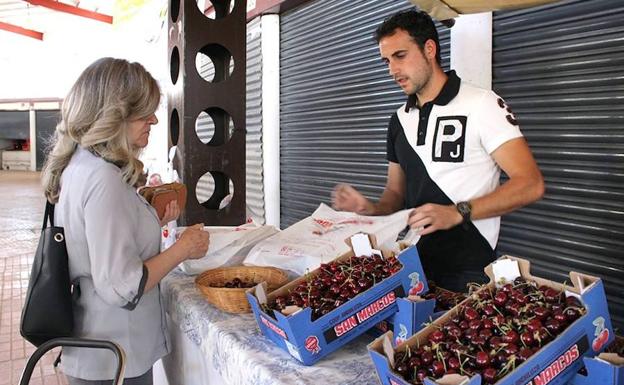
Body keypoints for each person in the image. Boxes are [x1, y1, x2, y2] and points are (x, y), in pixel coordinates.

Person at [332, 10, 544, 292]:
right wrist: (369, 209)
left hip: (467, 273)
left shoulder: (482, 104)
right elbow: (395, 195)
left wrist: (458, 212)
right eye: (386, 61)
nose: (392, 70)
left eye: (400, 56)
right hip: (408, 267)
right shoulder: (398, 120)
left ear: (429, 49)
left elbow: (530, 184)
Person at [41, 57, 210, 385]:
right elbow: (122, 285)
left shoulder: (81, 165)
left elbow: (96, 238)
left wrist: (145, 213)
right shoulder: (104, 179)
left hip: (98, 349)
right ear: (113, 115)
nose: (154, 120)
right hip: (115, 356)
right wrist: (184, 248)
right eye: (144, 112)